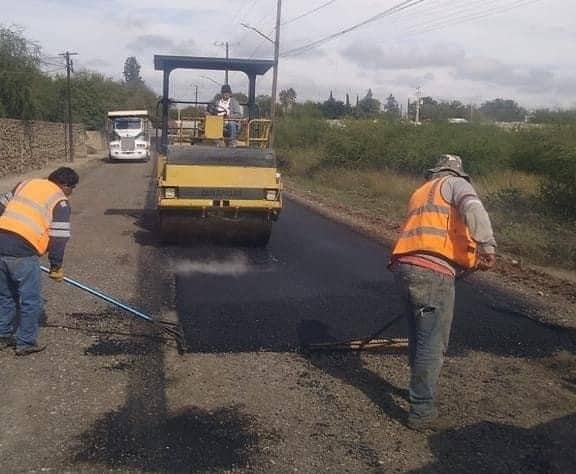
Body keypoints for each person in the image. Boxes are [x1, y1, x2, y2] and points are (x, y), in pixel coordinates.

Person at [389, 154, 496, 431]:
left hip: (405, 267)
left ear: (434, 171)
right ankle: (422, 409)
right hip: (432, 274)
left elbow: (435, 234)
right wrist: (487, 245)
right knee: (432, 342)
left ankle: (417, 393)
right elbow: (473, 208)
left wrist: (466, 260)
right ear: (457, 173)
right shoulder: (456, 184)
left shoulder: (421, 192)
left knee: (419, 336)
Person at [0, 167, 79, 356]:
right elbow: (59, 236)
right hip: (23, 251)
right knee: (30, 299)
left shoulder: (25, 184)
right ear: (65, 185)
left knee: (5, 296)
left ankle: (2, 335)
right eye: (72, 188)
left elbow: (1, 205)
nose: (70, 193)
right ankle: (26, 342)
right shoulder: (60, 201)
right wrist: (56, 265)